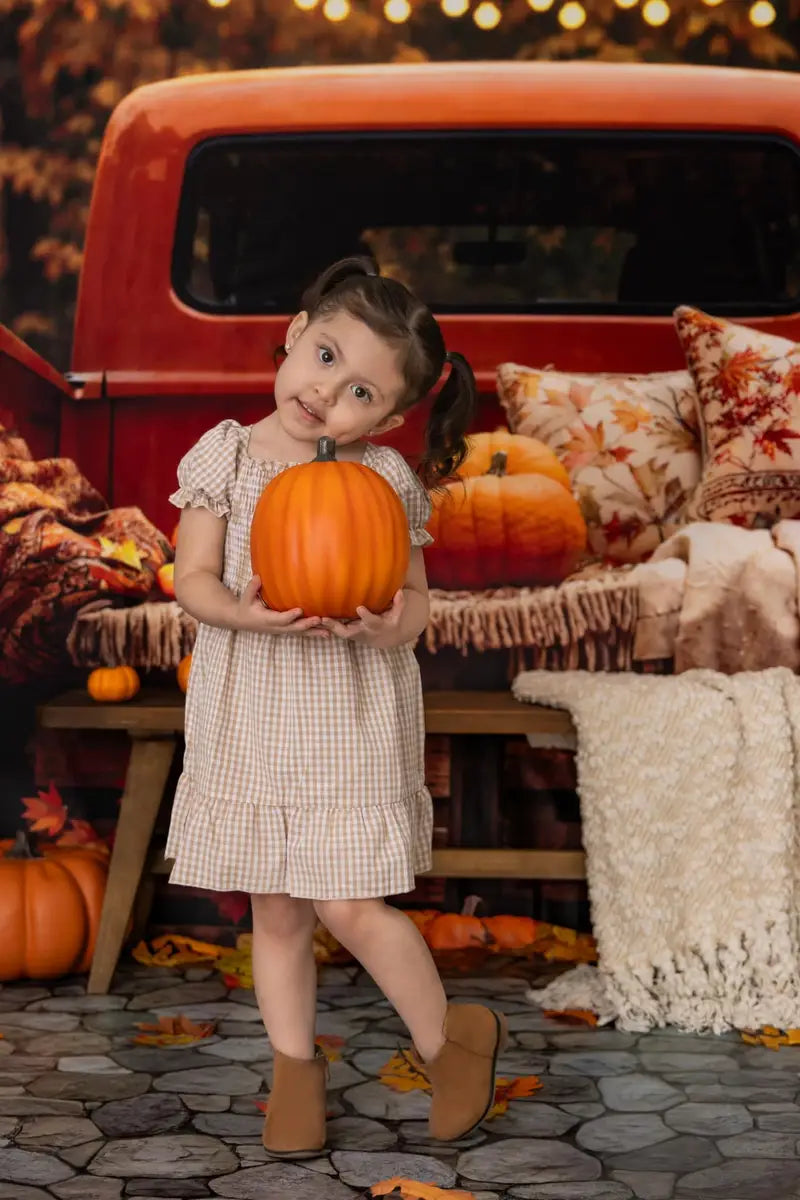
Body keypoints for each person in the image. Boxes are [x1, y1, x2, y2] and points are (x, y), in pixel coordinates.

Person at [169, 256, 507, 1158]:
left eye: (359, 390)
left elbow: (416, 603)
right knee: (276, 908)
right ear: (293, 332)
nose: (327, 395)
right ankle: (293, 1075)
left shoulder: (386, 482)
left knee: (350, 902)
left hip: (346, 713)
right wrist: (240, 610)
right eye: (323, 358)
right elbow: (193, 577)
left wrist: (387, 629)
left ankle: (448, 1048)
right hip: (250, 707)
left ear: (389, 418)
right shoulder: (226, 455)